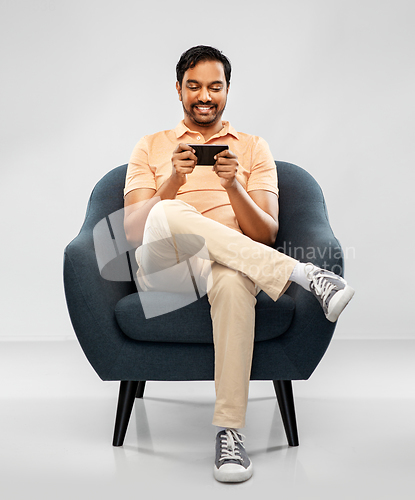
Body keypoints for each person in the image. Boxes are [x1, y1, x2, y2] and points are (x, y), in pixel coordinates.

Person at [123, 45, 354, 483]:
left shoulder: (252, 148)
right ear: (178, 90)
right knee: (168, 213)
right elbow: (132, 232)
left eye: (215, 86)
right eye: (194, 86)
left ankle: (229, 435)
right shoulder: (151, 146)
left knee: (231, 281)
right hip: (165, 273)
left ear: (228, 90)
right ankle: (302, 275)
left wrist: (234, 188)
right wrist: (173, 180)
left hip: (229, 267)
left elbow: (264, 233)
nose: (204, 96)